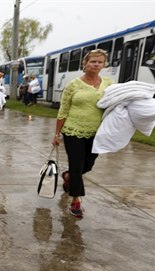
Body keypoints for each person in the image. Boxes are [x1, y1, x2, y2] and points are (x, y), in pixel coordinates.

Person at [52, 49, 113, 218]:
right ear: (85, 63)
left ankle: (67, 176)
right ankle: (76, 200)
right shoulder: (73, 85)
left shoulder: (109, 84)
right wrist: (57, 134)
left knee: (88, 165)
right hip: (73, 131)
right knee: (77, 165)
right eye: (93, 61)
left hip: (97, 132)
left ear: (104, 65)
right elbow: (63, 110)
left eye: (100, 62)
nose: (96, 64)